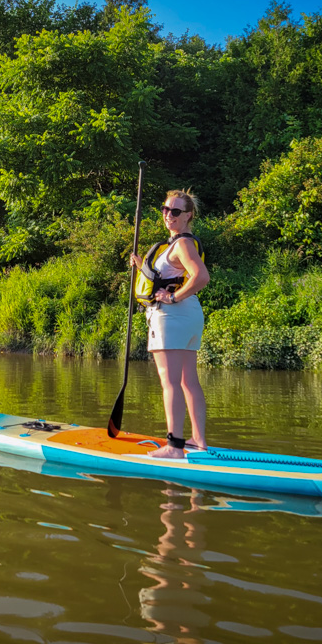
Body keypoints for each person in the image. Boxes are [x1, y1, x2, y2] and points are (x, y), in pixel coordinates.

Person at [130, 190, 210, 458]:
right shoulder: (176, 244)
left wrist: (173, 298)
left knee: (170, 382)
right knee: (188, 381)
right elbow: (166, 276)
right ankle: (198, 440)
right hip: (188, 316)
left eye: (175, 211)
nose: (168, 215)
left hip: (172, 317)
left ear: (188, 216)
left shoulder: (183, 244)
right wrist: (141, 265)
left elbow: (201, 277)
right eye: (165, 209)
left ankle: (174, 447)